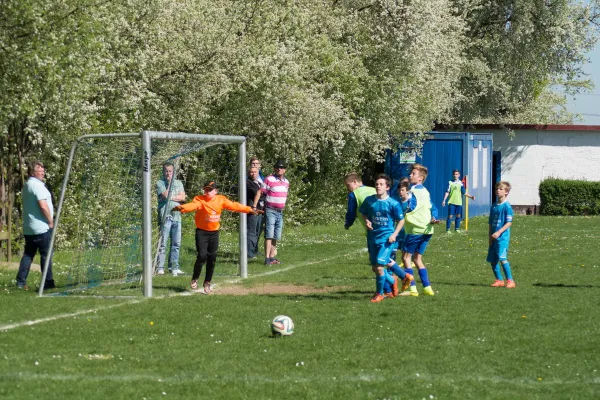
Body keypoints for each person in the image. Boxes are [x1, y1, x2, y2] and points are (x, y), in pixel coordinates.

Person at [174, 181, 260, 294]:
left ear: (216, 191)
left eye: (210, 189)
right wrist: (182, 208)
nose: (207, 192)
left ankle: (207, 282)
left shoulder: (221, 200)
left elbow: (235, 206)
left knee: (212, 258)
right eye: (205, 189)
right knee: (202, 256)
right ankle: (195, 277)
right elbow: (193, 205)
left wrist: (250, 209)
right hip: (202, 232)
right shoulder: (200, 200)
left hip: (214, 233)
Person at [360, 174, 413, 303]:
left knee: (379, 267)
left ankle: (380, 293)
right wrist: (367, 221)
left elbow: (401, 220)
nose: (378, 186)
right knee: (375, 267)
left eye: (381, 184)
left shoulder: (393, 204)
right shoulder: (369, 200)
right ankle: (400, 277)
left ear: (387, 187)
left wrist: (394, 235)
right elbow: (363, 213)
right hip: (372, 237)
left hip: (386, 238)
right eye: (377, 184)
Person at [16, 161, 56, 290]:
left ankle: (20, 282)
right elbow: (43, 206)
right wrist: (50, 221)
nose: (43, 172)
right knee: (46, 254)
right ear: (32, 172)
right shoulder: (37, 186)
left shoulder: (27, 185)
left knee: (28, 254)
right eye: (39, 170)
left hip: (29, 228)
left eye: (43, 169)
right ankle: (48, 282)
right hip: (41, 227)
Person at [402, 164, 439, 296]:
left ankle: (412, 289)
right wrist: (434, 217)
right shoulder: (425, 191)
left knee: (406, 258)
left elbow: (410, 207)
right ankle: (427, 287)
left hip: (416, 229)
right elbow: (433, 207)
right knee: (417, 259)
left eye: (413, 174)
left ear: (420, 178)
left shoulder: (413, 192)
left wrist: (399, 211)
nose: (410, 175)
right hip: (427, 230)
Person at [253, 159, 289, 266]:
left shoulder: (286, 182)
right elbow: (260, 192)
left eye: (281, 167)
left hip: (280, 212)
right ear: (274, 169)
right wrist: (254, 206)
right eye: (277, 167)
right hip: (270, 210)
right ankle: (267, 258)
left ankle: (272, 257)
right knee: (269, 234)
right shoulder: (269, 179)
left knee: (276, 236)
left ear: (285, 170)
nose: (279, 169)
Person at [156, 162, 186, 276]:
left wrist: (172, 198)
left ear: (174, 172)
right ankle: (160, 267)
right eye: (166, 171)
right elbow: (165, 194)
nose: (168, 173)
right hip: (165, 216)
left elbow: (183, 197)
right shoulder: (160, 183)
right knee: (163, 243)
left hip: (177, 216)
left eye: (170, 171)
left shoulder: (179, 183)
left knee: (176, 243)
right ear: (163, 172)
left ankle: (174, 267)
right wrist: (169, 183)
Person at [488, 181, 515, 288]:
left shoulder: (507, 206)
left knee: (502, 258)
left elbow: (509, 222)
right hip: (493, 237)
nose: (498, 191)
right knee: (492, 260)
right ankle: (499, 280)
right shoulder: (494, 206)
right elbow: (490, 223)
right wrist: (489, 237)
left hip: (502, 237)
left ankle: (510, 281)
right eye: (496, 189)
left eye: (501, 189)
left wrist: (499, 232)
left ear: (506, 192)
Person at [246, 166, 265, 258]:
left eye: (255, 172)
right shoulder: (247, 182)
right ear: (248, 173)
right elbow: (256, 193)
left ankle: (255, 250)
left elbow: (262, 194)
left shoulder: (258, 182)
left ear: (258, 173)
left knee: (257, 231)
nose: (253, 174)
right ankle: (249, 253)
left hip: (260, 210)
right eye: (251, 172)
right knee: (251, 232)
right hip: (252, 210)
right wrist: (263, 194)